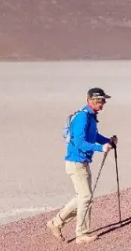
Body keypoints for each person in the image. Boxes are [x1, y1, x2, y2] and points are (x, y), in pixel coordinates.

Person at [46, 87, 117, 245]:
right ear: (93, 100)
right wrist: (100, 148)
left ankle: (56, 223)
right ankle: (81, 234)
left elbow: (93, 136)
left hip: (81, 162)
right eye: (102, 101)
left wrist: (108, 141)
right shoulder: (82, 117)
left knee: (82, 197)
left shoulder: (90, 117)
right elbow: (79, 143)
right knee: (85, 197)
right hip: (76, 163)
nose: (104, 104)